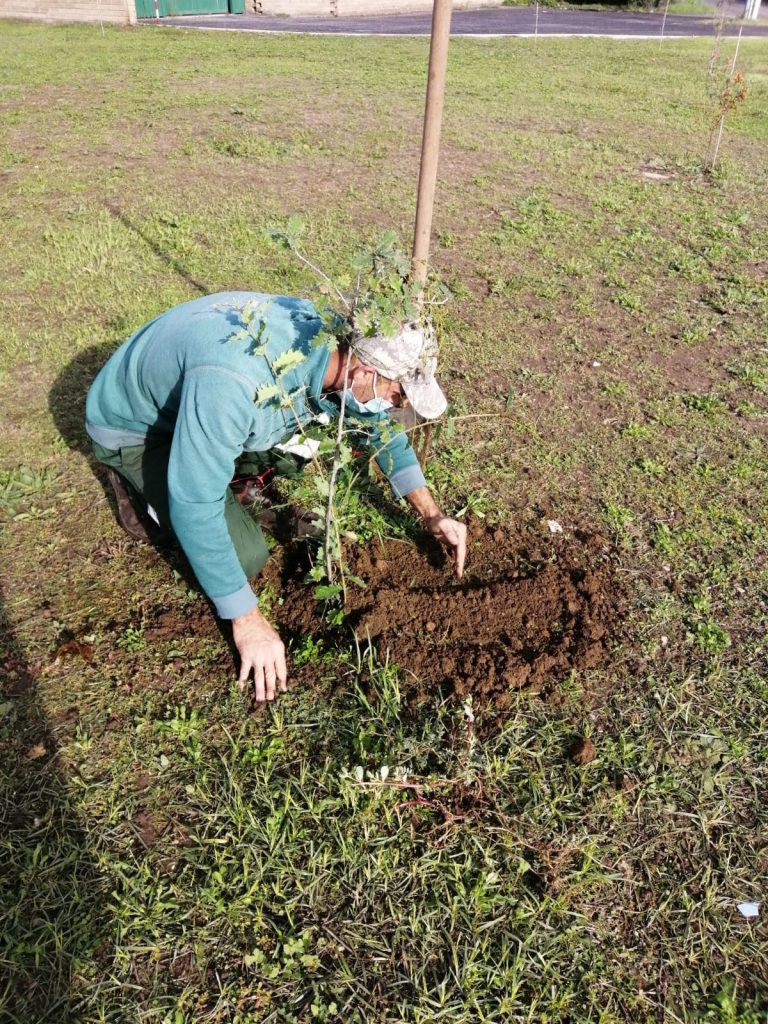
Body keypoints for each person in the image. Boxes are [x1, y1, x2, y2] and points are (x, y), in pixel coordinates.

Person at [85, 291, 466, 703]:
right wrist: (246, 620)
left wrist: (431, 514)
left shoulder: (339, 346)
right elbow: (194, 502)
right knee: (246, 555)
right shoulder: (239, 382)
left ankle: (224, 471)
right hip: (138, 429)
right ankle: (138, 484)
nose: (396, 405)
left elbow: (379, 429)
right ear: (364, 368)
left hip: (203, 401)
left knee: (304, 445)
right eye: (397, 394)